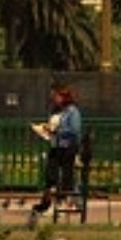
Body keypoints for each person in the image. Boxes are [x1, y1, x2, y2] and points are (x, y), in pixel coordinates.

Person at [33, 84, 82, 214]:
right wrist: (45, 129)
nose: (54, 98)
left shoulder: (72, 111)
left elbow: (75, 130)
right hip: (56, 145)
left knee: (67, 175)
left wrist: (57, 130)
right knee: (51, 174)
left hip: (68, 146)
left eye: (56, 96)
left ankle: (69, 202)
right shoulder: (56, 111)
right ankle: (48, 203)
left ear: (64, 97)